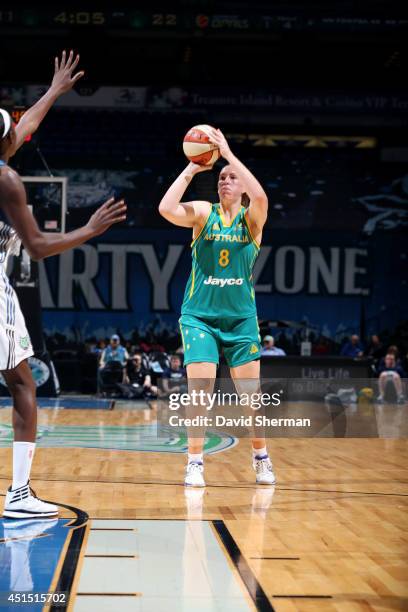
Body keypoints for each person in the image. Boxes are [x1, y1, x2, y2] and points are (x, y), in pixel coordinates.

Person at [0, 52, 127, 519]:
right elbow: (36, 247)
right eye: (11, 134)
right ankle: (18, 495)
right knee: (22, 383)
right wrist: (89, 230)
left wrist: (53, 90)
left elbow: (23, 127)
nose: (19, 135)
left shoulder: (7, 158)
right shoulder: (7, 179)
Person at [159, 127, 275, 487]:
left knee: (251, 398)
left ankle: (261, 457)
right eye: (222, 177)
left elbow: (261, 196)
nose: (225, 179)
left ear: (241, 186)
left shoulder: (252, 220)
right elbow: (165, 208)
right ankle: (195, 461)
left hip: (240, 319)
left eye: (231, 177)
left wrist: (228, 154)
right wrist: (194, 168)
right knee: (200, 389)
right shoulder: (203, 213)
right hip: (199, 317)